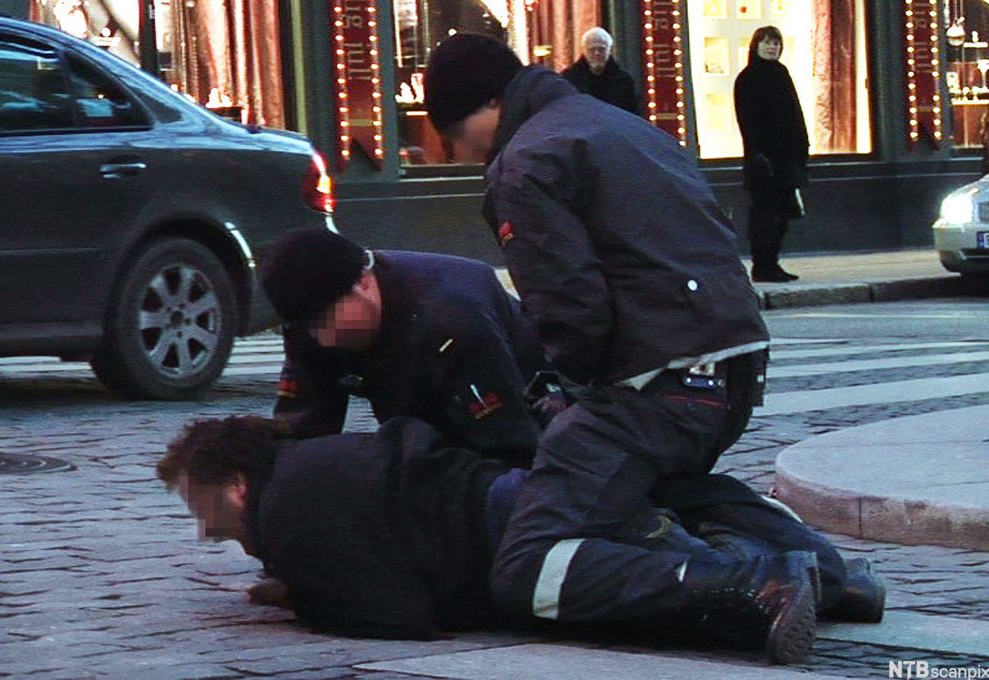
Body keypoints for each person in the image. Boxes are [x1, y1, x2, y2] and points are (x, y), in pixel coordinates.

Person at [423, 34, 821, 663]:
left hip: (658, 380)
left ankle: (756, 587)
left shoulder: (525, 162)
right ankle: (836, 576)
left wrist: (569, 390)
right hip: (735, 365)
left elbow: (570, 304)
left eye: (454, 131)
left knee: (528, 565)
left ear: (491, 103)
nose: (458, 150)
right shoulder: (625, 127)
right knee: (650, 489)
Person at [156, 415, 885, 643]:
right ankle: (831, 583)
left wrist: (305, 600)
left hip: (514, 535)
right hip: (525, 497)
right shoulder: (316, 464)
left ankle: (774, 580)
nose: (208, 533)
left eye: (204, 510)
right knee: (656, 557)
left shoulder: (287, 518)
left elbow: (400, 617)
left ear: (235, 484)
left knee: (641, 590)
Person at [258, 227, 546, 467]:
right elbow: (299, 433)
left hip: (516, 409)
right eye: (311, 328)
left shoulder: (453, 318)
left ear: (363, 281)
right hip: (412, 407)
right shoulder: (310, 325)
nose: (325, 339)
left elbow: (511, 446)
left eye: (327, 321)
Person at [734, 25, 810, 283]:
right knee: (765, 215)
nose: (771, 48)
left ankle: (773, 262)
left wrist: (802, 147)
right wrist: (758, 154)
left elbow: (794, 113)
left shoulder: (781, 73)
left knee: (784, 215)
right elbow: (748, 121)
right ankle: (762, 265)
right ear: (756, 46)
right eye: (766, 43)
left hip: (787, 158)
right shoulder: (748, 78)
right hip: (763, 160)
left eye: (776, 43)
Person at [561, 27, 640, 115]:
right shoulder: (569, 79)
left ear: (609, 50)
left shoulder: (623, 80)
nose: (597, 53)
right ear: (584, 51)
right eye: (591, 49)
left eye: (601, 49)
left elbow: (632, 114)